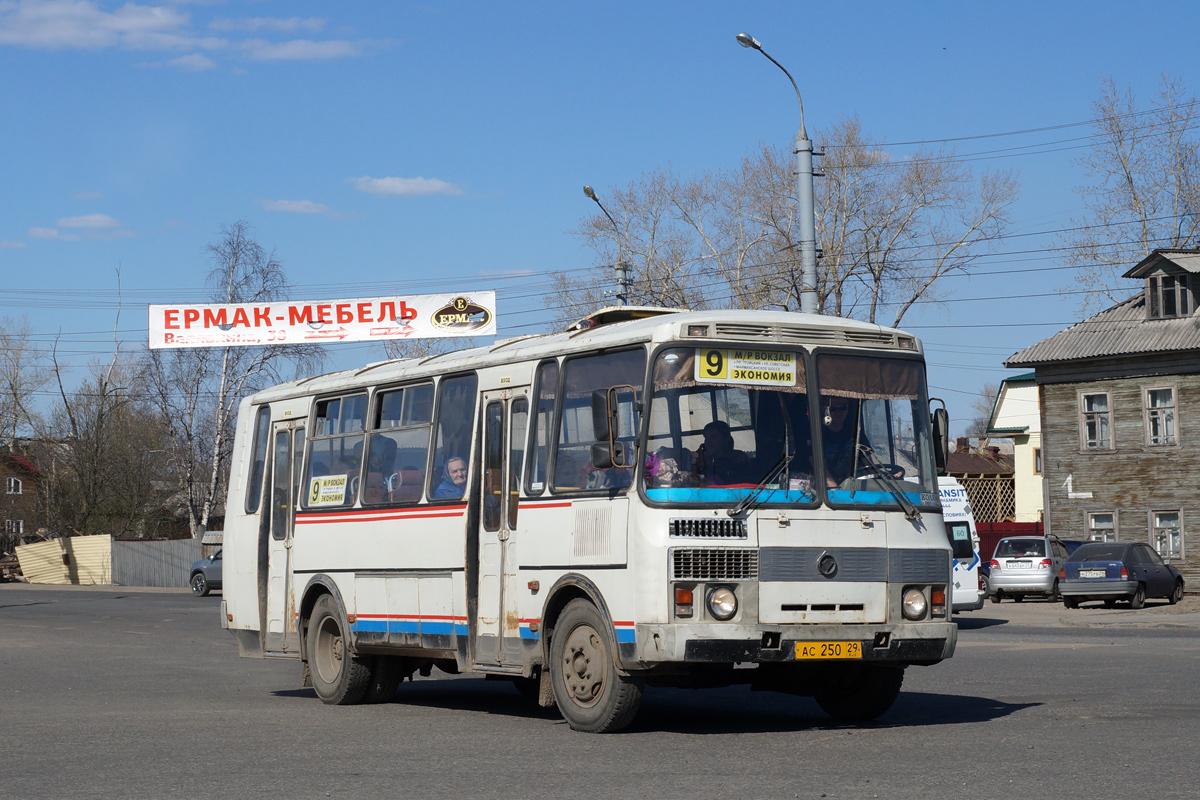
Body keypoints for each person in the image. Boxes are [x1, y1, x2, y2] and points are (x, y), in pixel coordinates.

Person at [691, 420, 751, 486]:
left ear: (726, 438)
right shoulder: (706, 458)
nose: (708, 441)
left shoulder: (738, 457)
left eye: (713, 437)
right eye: (706, 438)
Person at [821, 397, 857, 488]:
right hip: (825, 490)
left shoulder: (855, 432)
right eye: (832, 408)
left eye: (843, 407)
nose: (839, 412)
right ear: (824, 410)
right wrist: (834, 487)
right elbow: (816, 463)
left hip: (852, 487)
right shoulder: (816, 433)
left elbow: (867, 458)